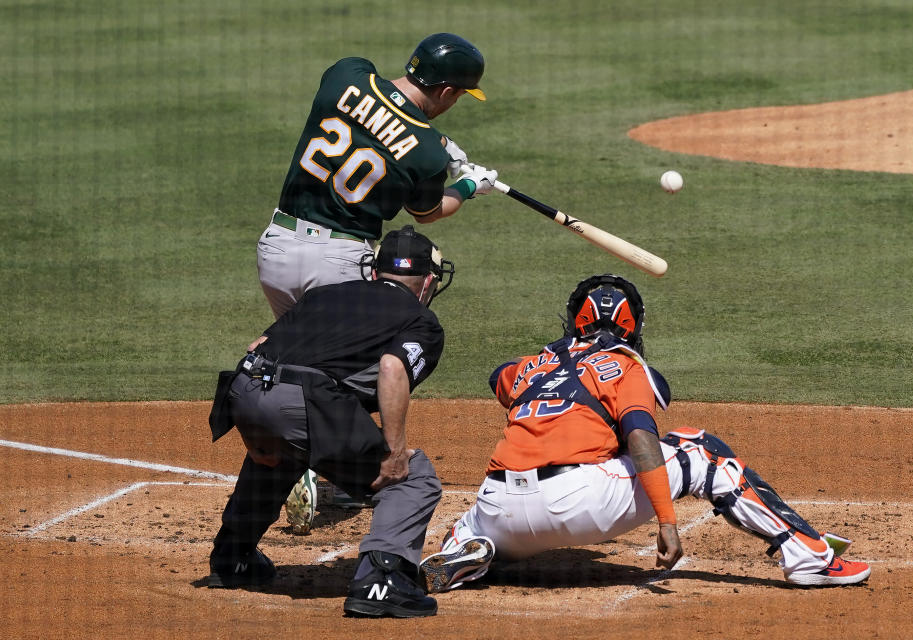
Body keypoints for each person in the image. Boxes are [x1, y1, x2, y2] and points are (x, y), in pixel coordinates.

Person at [418, 274, 872, 592]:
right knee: (703, 450)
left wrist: (548, 364)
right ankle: (812, 559)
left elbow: (498, 377)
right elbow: (640, 439)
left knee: (478, 524)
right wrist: (667, 523)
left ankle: (467, 550)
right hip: (579, 503)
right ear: (633, 328)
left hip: (497, 507)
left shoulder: (531, 365)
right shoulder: (625, 366)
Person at [257, 32, 498, 530]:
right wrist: (471, 185)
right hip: (340, 260)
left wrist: (434, 143)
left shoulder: (347, 71)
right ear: (450, 92)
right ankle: (333, 467)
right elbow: (428, 212)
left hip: (276, 249)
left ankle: (303, 460)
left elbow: (375, 113)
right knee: (361, 375)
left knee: (304, 360)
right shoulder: (427, 155)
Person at [207, 226, 455, 618]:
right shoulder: (421, 320)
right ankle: (381, 582)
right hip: (301, 404)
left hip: (242, 388)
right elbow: (392, 369)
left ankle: (232, 557)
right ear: (427, 281)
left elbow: (257, 349)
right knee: (413, 476)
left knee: (284, 450)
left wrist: (256, 426)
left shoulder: (324, 295)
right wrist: (393, 454)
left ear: (374, 272)